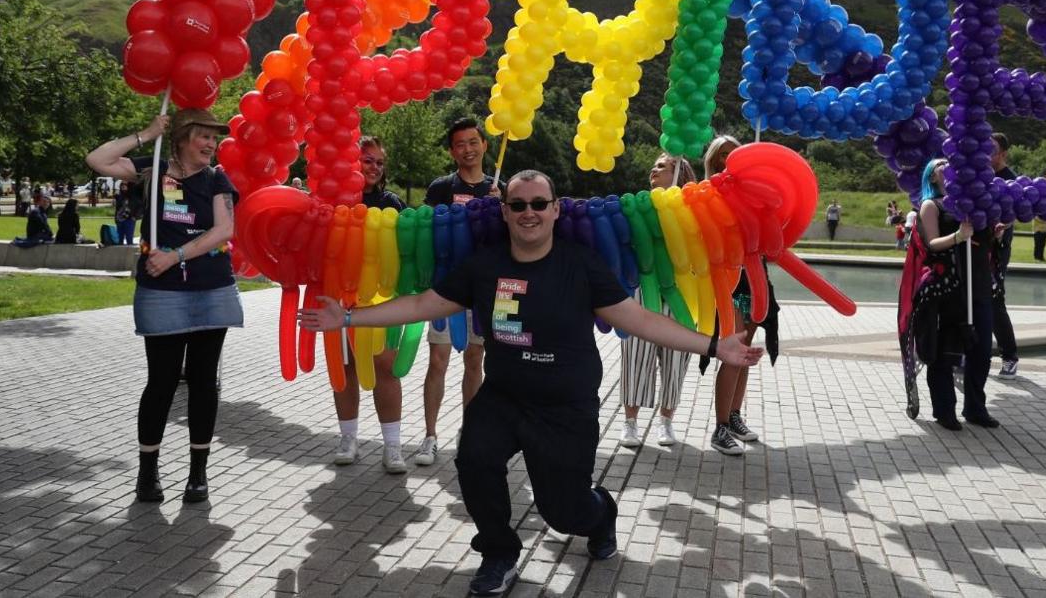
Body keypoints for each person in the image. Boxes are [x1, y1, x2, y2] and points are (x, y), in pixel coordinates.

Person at [297, 170, 762, 595]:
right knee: (474, 460)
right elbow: (422, 306)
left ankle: (600, 514)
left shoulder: (581, 264)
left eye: (539, 204)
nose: (529, 213)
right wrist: (348, 318)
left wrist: (713, 346)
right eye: (518, 205)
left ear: (556, 209)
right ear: (505, 212)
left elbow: (637, 318)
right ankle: (499, 552)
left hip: (566, 404)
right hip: (504, 395)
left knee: (563, 513)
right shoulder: (485, 264)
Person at [86, 108, 244, 504]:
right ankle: (148, 473)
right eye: (202, 136)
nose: (211, 144)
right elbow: (97, 160)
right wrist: (144, 134)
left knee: (205, 383)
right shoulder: (152, 169)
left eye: (214, 137)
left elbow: (224, 229)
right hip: (162, 293)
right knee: (162, 381)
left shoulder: (217, 178)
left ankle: (198, 475)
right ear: (180, 137)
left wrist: (176, 255)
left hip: (211, 289)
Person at [416, 117, 502, 467]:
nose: (467, 149)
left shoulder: (501, 188)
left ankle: (470, 432)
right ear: (452, 151)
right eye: (460, 144)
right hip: (446, 289)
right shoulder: (441, 188)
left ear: (484, 145)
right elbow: (426, 232)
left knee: (474, 361)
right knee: (438, 361)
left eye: (473, 142)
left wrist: (502, 207)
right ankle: (430, 435)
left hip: (484, 292)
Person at [331, 136, 409, 473]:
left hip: (380, 298)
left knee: (385, 368)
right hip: (338, 295)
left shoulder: (392, 203)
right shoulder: (333, 199)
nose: (374, 167)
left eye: (379, 162)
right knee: (345, 370)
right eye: (367, 160)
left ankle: (392, 446)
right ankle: (348, 438)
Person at [910, 157, 1002, 430]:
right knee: (945, 352)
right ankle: (944, 409)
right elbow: (932, 244)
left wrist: (992, 235)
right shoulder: (931, 205)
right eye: (941, 164)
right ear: (933, 176)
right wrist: (958, 236)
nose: (948, 165)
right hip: (949, 290)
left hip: (980, 286)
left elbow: (980, 246)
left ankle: (975, 407)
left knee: (982, 351)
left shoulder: (972, 204)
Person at [618, 152, 697, 449]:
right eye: (654, 164)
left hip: (682, 293)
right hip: (643, 289)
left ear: (680, 174)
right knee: (635, 355)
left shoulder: (693, 207)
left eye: (662, 166)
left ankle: (666, 421)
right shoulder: (640, 206)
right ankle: (630, 423)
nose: (654, 168)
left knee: (676, 359)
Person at [700, 135, 772, 455]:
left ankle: (734, 415)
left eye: (733, 154)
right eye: (721, 154)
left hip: (751, 278)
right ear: (712, 159)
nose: (726, 159)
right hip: (725, 279)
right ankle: (720, 427)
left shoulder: (751, 192)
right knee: (734, 348)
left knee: (744, 349)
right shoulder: (707, 193)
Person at [989, 133, 1019, 380]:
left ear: (1003, 153)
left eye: (992, 149)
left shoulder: (1011, 181)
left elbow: (1012, 215)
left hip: (997, 249)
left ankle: (1009, 356)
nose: (986, 152)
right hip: (976, 245)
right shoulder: (980, 175)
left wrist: (1001, 229)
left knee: (995, 302)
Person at [114, 181, 142, 246]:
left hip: (129, 219)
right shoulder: (119, 196)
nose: (123, 186)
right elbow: (117, 209)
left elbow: (140, 207)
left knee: (129, 239)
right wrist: (116, 219)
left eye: (125, 185)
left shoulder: (133, 197)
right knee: (119, 240)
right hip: (120, 220)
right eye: (122, 185)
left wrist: (135, 217)